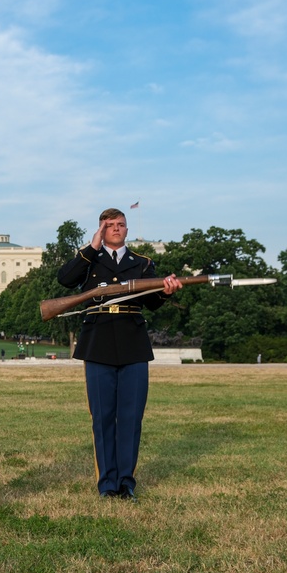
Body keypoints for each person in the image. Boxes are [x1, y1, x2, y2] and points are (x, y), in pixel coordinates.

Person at [56, 208, 181, 502]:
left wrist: (166, 292)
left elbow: (152, 302)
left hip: (132, 343)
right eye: (109, 225)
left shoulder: (142, 263)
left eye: (120, 225)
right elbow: (65, 279)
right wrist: (92, 246)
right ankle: (107, 484)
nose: (116, 229)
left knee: (130, 417)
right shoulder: (88, 260)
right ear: (101, 229)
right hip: (98, 342)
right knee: (102, 417)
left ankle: (126, 482)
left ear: (127, 229)